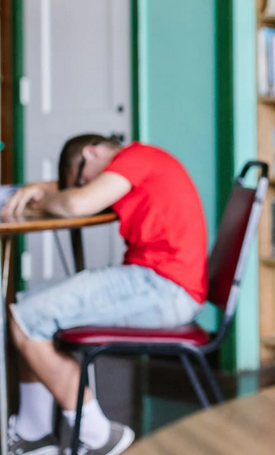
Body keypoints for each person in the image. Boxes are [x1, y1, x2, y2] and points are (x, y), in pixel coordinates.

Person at [1, 134, 208, 455]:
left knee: (26, 318)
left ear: (91, 152)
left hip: (164, 287)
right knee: (26, 307)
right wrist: (39, 187)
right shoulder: (141, 162)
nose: (87, 186)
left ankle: (100, 436)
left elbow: (75, 203)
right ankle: (33, 433)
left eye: (83, 179)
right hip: (160, 283)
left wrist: (41, 199)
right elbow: (73, 194)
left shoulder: (135, 157)